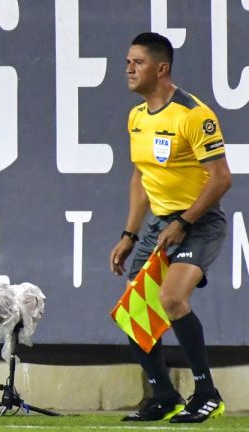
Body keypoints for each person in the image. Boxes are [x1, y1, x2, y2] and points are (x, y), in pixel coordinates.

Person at [109, 33, 232, 423]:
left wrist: (183, 221)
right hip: (162, 225)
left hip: (199, 222)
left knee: (172, 299)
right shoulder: (136, 117)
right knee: (133, 311)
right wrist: (129, 234)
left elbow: (221, 179)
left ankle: (207, 393)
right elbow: (140, 177)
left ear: (161, 69)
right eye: (127, 61)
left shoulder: (194, 114)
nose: (129, 68)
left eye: (138, 62)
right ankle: (164, 396)